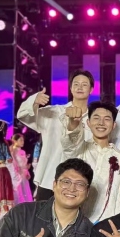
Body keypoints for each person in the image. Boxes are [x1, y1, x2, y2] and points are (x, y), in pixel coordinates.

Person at [18, 70, 94, 201]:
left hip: (80, 182)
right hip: (50, 178)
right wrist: (34, 101)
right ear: (71, 88)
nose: (80, 87)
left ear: (91, 89)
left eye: (84, 84)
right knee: (43, 213)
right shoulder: (55, 113)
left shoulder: (94, 120)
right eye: (76, 84)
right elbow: (23, 115)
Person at [61, 101, 120, 223]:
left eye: (107, 119)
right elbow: (70, 142)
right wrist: (73, 123)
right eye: (96, 118)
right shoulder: (78, 149)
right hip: (75, 222)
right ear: (88, 123)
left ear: (113, 125)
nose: (101, 123)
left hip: (106, 224)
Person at [10, 133, 33, 204]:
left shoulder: (23, 151)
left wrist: (27, 171)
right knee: (19, 192)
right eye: (20, 140)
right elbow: (13, 164)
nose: (22, 142)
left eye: (23, 140)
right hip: (18, 174)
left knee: (26, 192)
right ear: (15, 141)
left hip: (24, 174)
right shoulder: (13, 151)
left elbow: (24, 164)